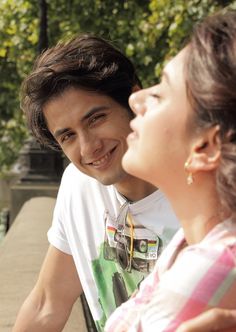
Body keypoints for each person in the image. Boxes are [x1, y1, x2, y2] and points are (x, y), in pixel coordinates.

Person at [13, 32, 236, 332]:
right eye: (67, 136)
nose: (89, 147)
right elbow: (46, 304)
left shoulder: (209, 236)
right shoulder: (80, 185)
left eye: (96, 119)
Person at [104, 9, 236, 332]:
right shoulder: (189, 243)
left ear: (205, 147)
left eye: (160, 92)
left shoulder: (215, 264)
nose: (137, 99)